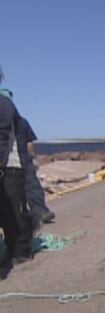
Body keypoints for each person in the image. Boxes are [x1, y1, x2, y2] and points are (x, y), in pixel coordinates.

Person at [0, 70, 34, 266]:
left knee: (15, 209)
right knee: (4, 212)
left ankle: (21, 250)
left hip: (10, 165)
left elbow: (2, 135)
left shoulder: (3, 102)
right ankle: (12, 248)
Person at [18, 117, 55, 228]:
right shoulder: (21, 121)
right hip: (22, 159)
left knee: (31, 187)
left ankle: (40, 212)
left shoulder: (20, 121)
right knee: (31, 187)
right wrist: (33, 158)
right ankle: (39, 212)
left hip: (20, 159)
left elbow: (29, 142)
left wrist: (32, 159)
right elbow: (29, 143)